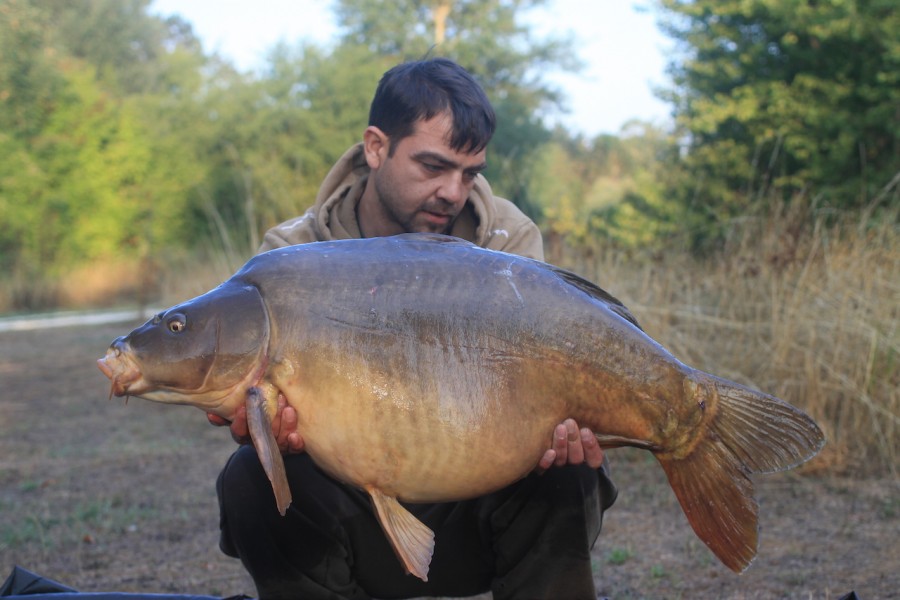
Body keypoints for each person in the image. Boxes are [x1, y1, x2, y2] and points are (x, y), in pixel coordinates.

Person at [210, 57, 617, 600]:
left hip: (477, 510)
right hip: (351, 521)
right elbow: (248, 402)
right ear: (376, 147)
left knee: (565, 472)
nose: (454, 191)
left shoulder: (507, 240)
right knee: (250, 476)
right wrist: (266, 426)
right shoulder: (289, 259)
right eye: (433, 167)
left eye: (470, 173)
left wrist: (566, 421)